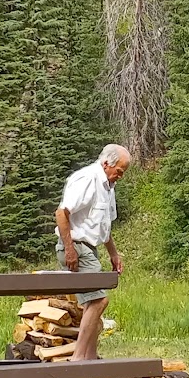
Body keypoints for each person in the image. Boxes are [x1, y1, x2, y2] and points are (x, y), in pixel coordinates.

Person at [55, 144, 133, 362]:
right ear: (106, 163)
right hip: (76, 246)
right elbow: (61, 213)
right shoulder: (87, 179)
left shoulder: (108, 187)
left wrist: (114, 255)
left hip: (89, 248)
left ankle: (90, 359)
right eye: (119, 171)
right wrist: (69, 249)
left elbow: (104, 228)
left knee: (93, 306)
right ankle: (78, 359)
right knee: (99, 302)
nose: (120, 176)